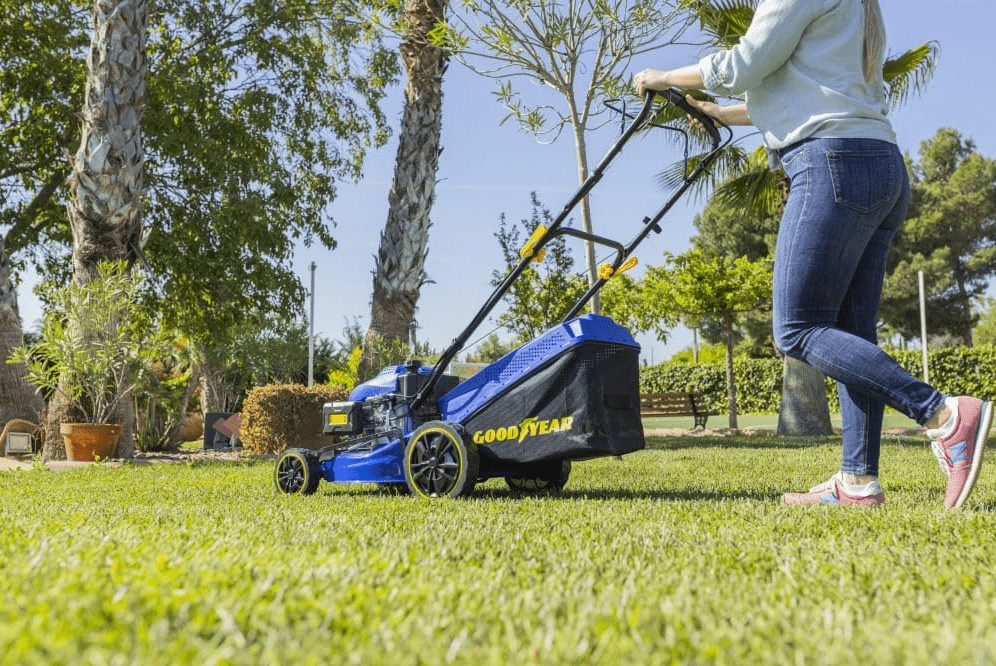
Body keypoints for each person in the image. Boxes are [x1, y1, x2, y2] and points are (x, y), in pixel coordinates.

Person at [633, 0, 992, 508]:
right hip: (879, 163)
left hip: (831, 163)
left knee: (797, 328)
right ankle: (858, 481)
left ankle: (944, 414)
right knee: (851, 337)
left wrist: (663, 74)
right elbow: (806, 91)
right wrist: (717, 112)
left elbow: (741, 66)